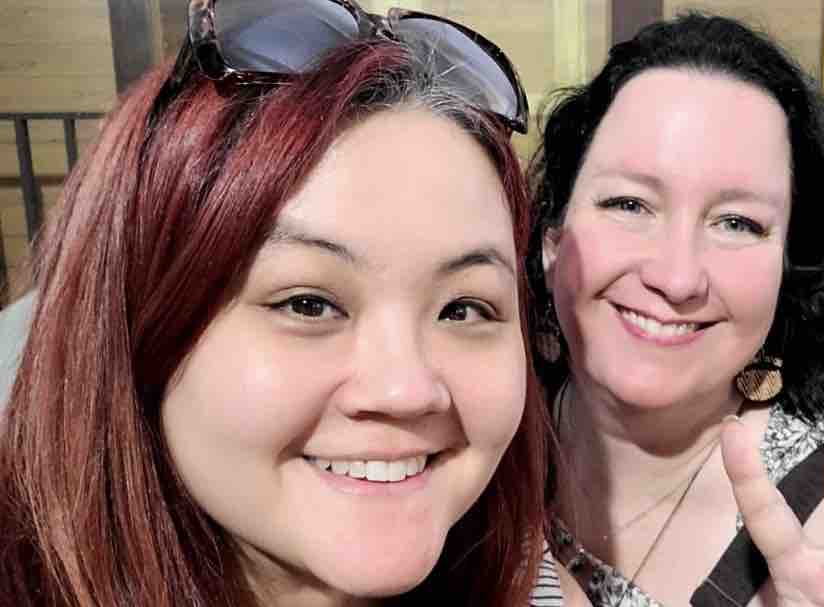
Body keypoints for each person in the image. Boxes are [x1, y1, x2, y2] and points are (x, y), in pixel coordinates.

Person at [0, 2, 570, 605]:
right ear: (135, 322)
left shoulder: (528, 584)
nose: (405, 391)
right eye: (308, 304)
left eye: (462, 309)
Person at [526, 12, 824, 607]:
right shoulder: (495, 419)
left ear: (788, 267)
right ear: (552, 240)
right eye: (629, 204)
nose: (676, 278)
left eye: (736, 222)